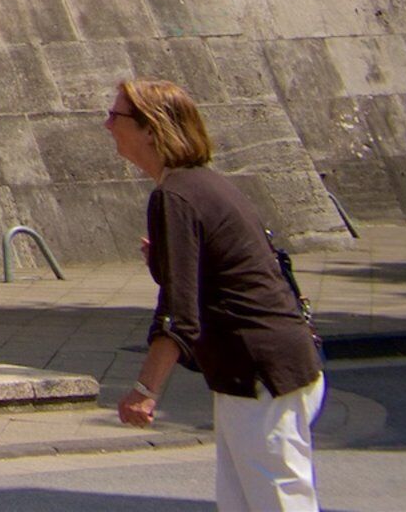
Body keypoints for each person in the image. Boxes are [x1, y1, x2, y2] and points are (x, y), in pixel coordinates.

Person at [107, 77, 323, 512]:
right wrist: (165, 265)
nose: (107, 124)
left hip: (262, 373)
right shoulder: (201, 184)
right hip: (260, 369)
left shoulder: (176, 196)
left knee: (280, 503)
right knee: (243, 503)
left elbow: (178, 313)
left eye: (116, 116)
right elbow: (213, 281)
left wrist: (144, 389)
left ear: (151, 129)